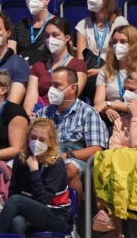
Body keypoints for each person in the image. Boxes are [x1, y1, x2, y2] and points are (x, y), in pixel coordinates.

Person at [93, 72, 137, 237]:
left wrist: (136, 117)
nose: (126, 94)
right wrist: (135, 151)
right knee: (103, 163)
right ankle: (109, 221)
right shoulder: (120, 121)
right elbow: (113, 148)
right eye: (125, 89)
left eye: (131, 89)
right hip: (122, 173)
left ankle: (112, 225)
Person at [0, 118, 71, 235]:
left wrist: (34, 171)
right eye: (33, 137)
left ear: (50, 142)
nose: (36, 142)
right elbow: (14, 190)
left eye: (42, 140)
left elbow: (43, 200)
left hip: (57, 215)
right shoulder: (20, 159)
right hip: (29, 211)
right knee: (17, 222)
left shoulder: (57, 164)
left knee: (16, 201)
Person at [36, 67, 108, 195]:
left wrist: (67, 156)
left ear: (73, 88)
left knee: (69, 167)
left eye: (57, 85)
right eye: (51, 85)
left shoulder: (88, 113)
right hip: (43, 157)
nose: (52, 90)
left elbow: (96, 149)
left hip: (75, 160)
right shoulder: (42, 113)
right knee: (11, 166)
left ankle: (70, 213)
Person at [75, 0, 128, 100]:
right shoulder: (83, 24)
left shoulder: (120, 22)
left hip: (114, 68)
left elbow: (124, 55)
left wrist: (100, 71)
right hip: (89, 70)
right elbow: (80, 58)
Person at [93, 26, 137, 126]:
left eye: (123, 42)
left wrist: (108, 104)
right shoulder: (106, 70)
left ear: (133, 45)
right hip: (111, 117)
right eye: (114, 42)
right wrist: (107, 110)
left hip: (136, 117)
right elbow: (98, 101)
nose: (117, 46)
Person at [25, 17, 88, 115]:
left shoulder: (78, 65)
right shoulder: (38, 66)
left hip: (63, 114)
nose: (50, 40)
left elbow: (71, 96)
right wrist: (29, 113)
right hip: (38, 114)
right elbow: (30, 97)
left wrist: (47, 114)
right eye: (47, 36)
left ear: (67, 38)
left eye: (55, 35)